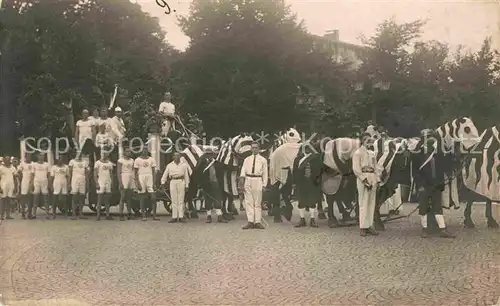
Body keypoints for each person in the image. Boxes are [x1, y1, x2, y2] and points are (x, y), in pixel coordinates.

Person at [352, 133, 381, 236]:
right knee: (363, 202)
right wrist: (364, 180)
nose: (369, 142)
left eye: (370, 140)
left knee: (371, 203)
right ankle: (363, 227)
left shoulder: (372, 153)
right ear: (362, 141)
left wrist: (377, 179)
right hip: (363, 178)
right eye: (366, 140)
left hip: (372, 177)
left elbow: (376, 167)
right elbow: (356, 169)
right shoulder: (358, 153)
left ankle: (370, 225)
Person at [239, 141, 268, 230]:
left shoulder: (263, 160)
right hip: (248, 179)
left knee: (257, 202)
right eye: (253, 147)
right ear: (251, 148)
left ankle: (257, 221)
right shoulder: (247, 159)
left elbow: (265, 173)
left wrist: (264, 184)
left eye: (256, 147)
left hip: (258, 180)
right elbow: (243, 171)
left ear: (259, 149)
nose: (254, 149)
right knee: (249, 202)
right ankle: (250, 221)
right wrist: (241, 183)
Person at [161, 152, 189, 223]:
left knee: (181, 199)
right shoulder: (170, 165)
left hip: (181, 181)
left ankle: (181, 217)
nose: (177, 157)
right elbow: (165, 175)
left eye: (178, 156)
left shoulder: (184, 165)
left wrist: (187, 185)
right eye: (175, 156)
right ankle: (174, 217)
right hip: (173, 181)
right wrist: (163, 183)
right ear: (173, 157)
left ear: (180, 157)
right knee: (173, 200)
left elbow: (186, 176)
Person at [134, 149, 158, 221]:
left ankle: (154, 215)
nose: (144, 151)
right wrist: (137, 183)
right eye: (143, 150)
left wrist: (154, 183)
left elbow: (153, 172)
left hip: (149, 177)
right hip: (141, 177)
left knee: (153, 197)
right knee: (142, 197)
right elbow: (135, 173)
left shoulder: (151, 159)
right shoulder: (137, 160)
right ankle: (143, 215)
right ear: (141, 151)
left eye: (146, 150)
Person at [94, 152, 114, 221]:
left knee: (107, 200)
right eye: (104, 154)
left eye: (106, 154)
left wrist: (112, 183)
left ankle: (107, 215)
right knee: (99, 199)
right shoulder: (97, 163)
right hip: (100, 181)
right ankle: (98, 215)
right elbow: (95, 174)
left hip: (108, 182)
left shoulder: (110, 163)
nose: (105, 155)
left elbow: (111, 174)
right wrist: (96, 183)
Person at [68, 153, 89, 220]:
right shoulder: (72, 162)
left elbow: (86, 173)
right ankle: (73, 214)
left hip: (82, 181)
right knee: (74, 197)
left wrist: (87, 183)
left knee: (82, 197)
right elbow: (69, 173)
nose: (79, 155)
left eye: (80, 154)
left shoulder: (84, 162)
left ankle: (80, 213)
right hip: (74, 181)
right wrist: (69, 183)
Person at [117, 148, 135, 221]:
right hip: (124, 176)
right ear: (124, 152)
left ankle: (129, 213)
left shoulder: (132, 160)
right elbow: (118, 171)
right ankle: (120, 214)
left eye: (130, 152)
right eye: (127, 151)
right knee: (123, 197)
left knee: (129, 197)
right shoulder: (120, 160)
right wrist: (120, 182)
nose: (129, 153)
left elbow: (133, 170)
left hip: (130, 177)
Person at [32, 153, 51, 219]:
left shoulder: (47, 164)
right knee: (35, 198)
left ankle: (47, 214)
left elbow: (49, 175)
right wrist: (32, 184)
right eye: (40, 155)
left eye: (42, 155)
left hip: (44, 182)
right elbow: (32, 174)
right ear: (37, 156)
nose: (41, 157)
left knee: (46, 199)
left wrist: (49, 184)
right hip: (36, 182)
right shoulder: (34, 164)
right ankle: (34, 214)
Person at [17, 153, 34, 219]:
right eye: (28, 156)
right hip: (24, 182)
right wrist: (21, 180)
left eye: (30, 156)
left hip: (31, 182)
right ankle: (23, 213)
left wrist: (31, 183)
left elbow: (33, 174)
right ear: (25, 157)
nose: (29, 157)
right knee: (23, 197)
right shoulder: (22, 164)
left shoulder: (32, 164)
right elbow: (19, 172)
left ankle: (29, 213)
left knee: (30, 197)